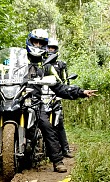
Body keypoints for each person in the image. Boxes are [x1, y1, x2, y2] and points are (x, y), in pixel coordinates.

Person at [25, 29, 96, 172]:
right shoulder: (19, 60)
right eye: (35, 42)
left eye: (41, 43)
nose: (37, 45)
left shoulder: (47, 66)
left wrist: (81, 92)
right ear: (30, 42)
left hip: (35, 103)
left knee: (48, 127)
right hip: (16, 99)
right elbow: (3, 71)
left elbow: (59, 86)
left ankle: (57, 161)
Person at [45, 38, 73, 159]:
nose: (50, 50)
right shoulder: (41, 63)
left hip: (55, 95)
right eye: (49, 47)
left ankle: (65, 149)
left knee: (59, 122)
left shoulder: (61, 64)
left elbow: (66, 80)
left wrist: (66, 90)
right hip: (41, 96)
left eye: (53, 48)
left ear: (56, 50)